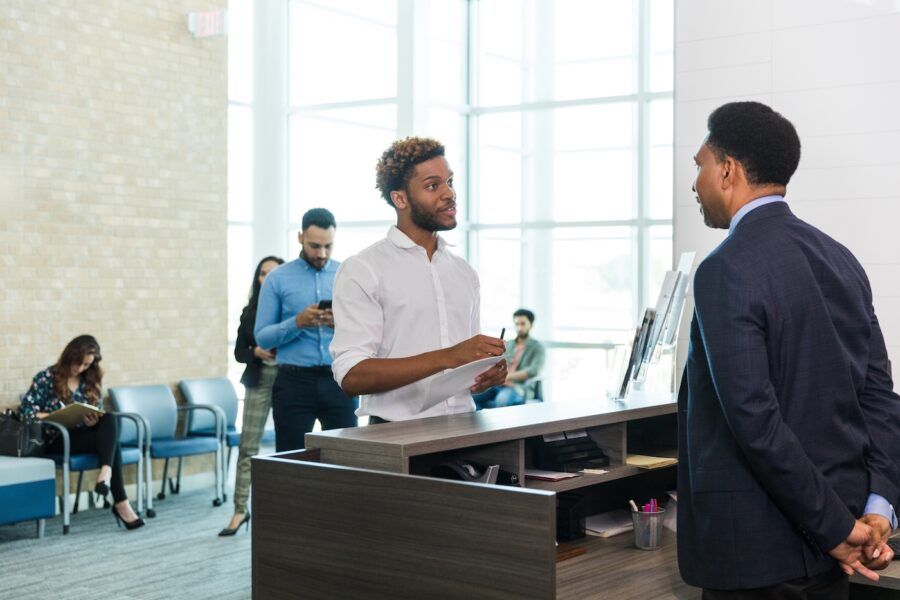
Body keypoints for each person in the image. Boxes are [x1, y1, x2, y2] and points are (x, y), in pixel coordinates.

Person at [678, 101, 899, 598]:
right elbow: (880, 399)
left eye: (700, 166)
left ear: (728, 170)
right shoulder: (841, 259)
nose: (696, 183)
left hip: (757, 554)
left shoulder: (726, 268)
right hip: (839, 532)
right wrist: (875, 510)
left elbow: (754, 419)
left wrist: (837, 531)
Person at [330, 136, 507, 423]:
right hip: (395, 436)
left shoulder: (464, 273)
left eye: (450, 182)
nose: (449, 193)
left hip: (465, 428)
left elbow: (464, 360)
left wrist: (487, 370)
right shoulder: (363, 269)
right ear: (400, 198)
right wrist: (449, 356)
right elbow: (352, 376)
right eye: (433, 185)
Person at [255, 209, 357, 452]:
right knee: (291, 460)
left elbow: (366, 329)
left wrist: (339, 323)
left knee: (349, 457)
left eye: (328, 246)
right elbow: (263, 337)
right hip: (293, 383)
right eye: (314, 246)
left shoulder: (348, 274)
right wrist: (298, 322)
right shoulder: (277, 279)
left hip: (340, 379)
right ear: (300, 237)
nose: (321, 254)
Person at [20, 335, 145, 530]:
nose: (80, 369)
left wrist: (90, 421)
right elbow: (26, 412)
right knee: (114, 446)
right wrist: (53, 415)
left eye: (86, 365)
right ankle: (120, 501)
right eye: (78, 363)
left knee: (110, 419)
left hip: (80, 436)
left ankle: (106, 472)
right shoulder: (46, 377)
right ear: (70, 356)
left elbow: (99, 411)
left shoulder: (90, 380)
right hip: (56, 438)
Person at [219, 255, 284, 537]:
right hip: (258, 380)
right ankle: (239, 510)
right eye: (262, 273)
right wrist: (254, 352)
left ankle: (282, 511)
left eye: (273, 273)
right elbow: (238, 353)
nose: (267, 278)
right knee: (249, 448)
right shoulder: (250, 311)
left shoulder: (291, 308)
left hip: (289, 380)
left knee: (287, 449)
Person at [473, 308, 545, 409]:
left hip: (517, 387)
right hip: (497, 385)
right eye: (517, 324)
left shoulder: (537, 347)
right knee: (472, 398)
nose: (519, 327)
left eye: (523, 324)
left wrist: (508, 376)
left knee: (502, 400)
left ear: (531, 325)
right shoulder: (509, 344)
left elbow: (534, 370)